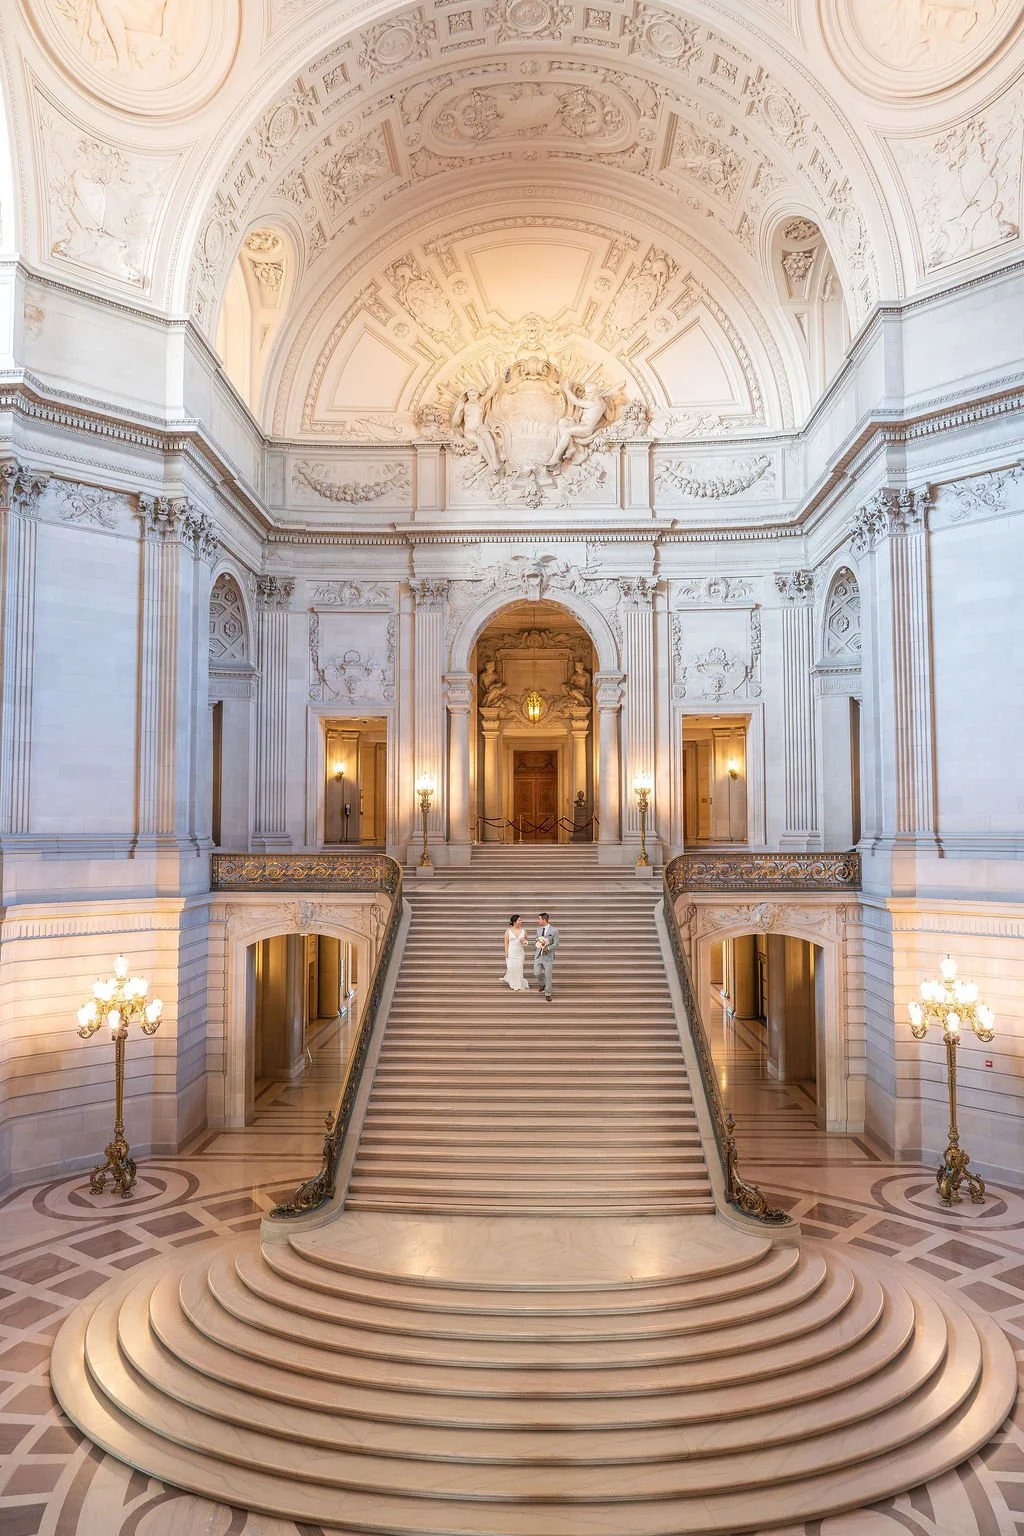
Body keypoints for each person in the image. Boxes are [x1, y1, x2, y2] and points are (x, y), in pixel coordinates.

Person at [533, 911, 560, 1002]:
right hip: (538, 955)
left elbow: (556, 944)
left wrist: (547, 948)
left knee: (548, 975)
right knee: (537, 973)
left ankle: (548, 993)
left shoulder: (554, 930)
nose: (538, 921)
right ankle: (543, 984)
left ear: (544, 920)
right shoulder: (538, 930)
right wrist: (531, 942)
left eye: (539, 919)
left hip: (548, 956)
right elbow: (536, 940)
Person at [502, 914, 531, 992]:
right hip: (511, 952)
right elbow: (506, 942)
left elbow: (527, 941)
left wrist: (525, 942)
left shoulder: (524, 930)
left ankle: (517, 984)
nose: (520, 921)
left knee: (519, 968)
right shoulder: (508, 930)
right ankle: (513, 983)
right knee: (511, 968)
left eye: (520, 920)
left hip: (520, 952)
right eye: (519, 920)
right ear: (514, 922)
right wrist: (506, 952)